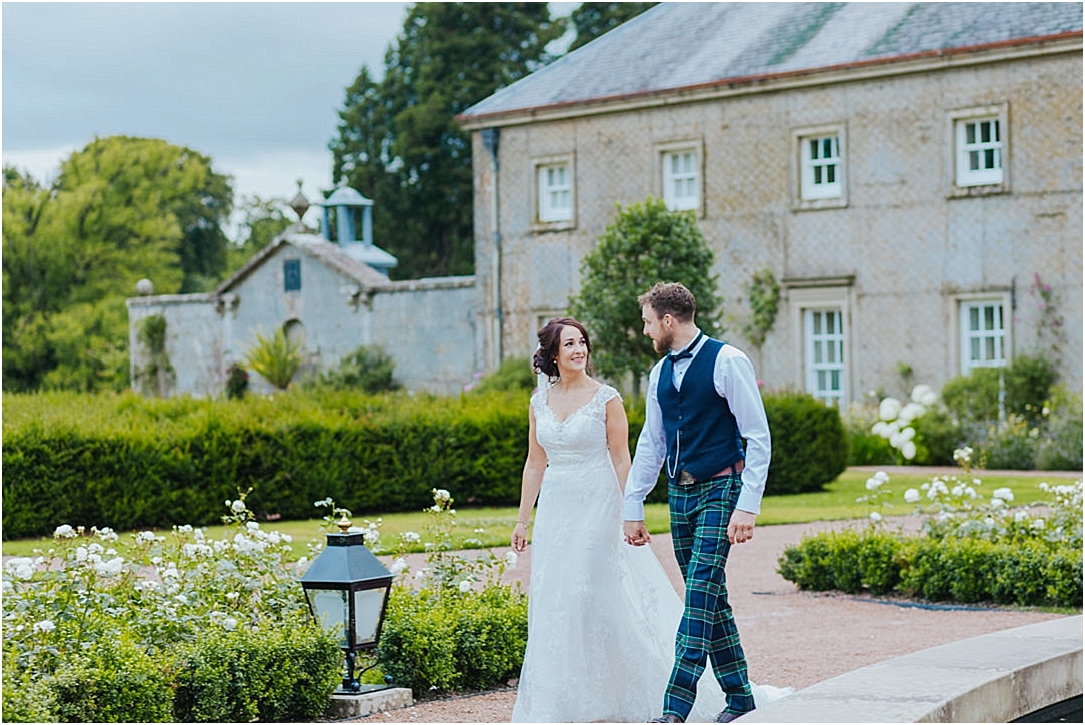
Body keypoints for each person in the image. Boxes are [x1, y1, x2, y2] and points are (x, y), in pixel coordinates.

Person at [510, 317, 784, 723]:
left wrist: (631, 511)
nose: (579, 349)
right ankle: (572, 698)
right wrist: (522, 521)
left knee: (594, 593)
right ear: (552, 354)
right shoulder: (539, 403)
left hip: (600, 506)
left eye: (582, 342)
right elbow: (535, 463)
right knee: (558, 598)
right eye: (569, 344)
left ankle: (676, 704)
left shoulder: (606, 398)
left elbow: (625, 458)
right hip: (556, 509)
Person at [623, 282, 772, 724]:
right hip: (679, 493)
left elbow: (758, 437)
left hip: (721, 489)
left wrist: (748, 505)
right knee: (708, 597)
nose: (646, 331)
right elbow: (652, 443)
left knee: (700, 591)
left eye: (649, 322)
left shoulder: (728, 361)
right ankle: (741, 698)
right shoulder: (659, 373)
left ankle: (674, 709)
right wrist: (633, 505)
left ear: (668, 320)